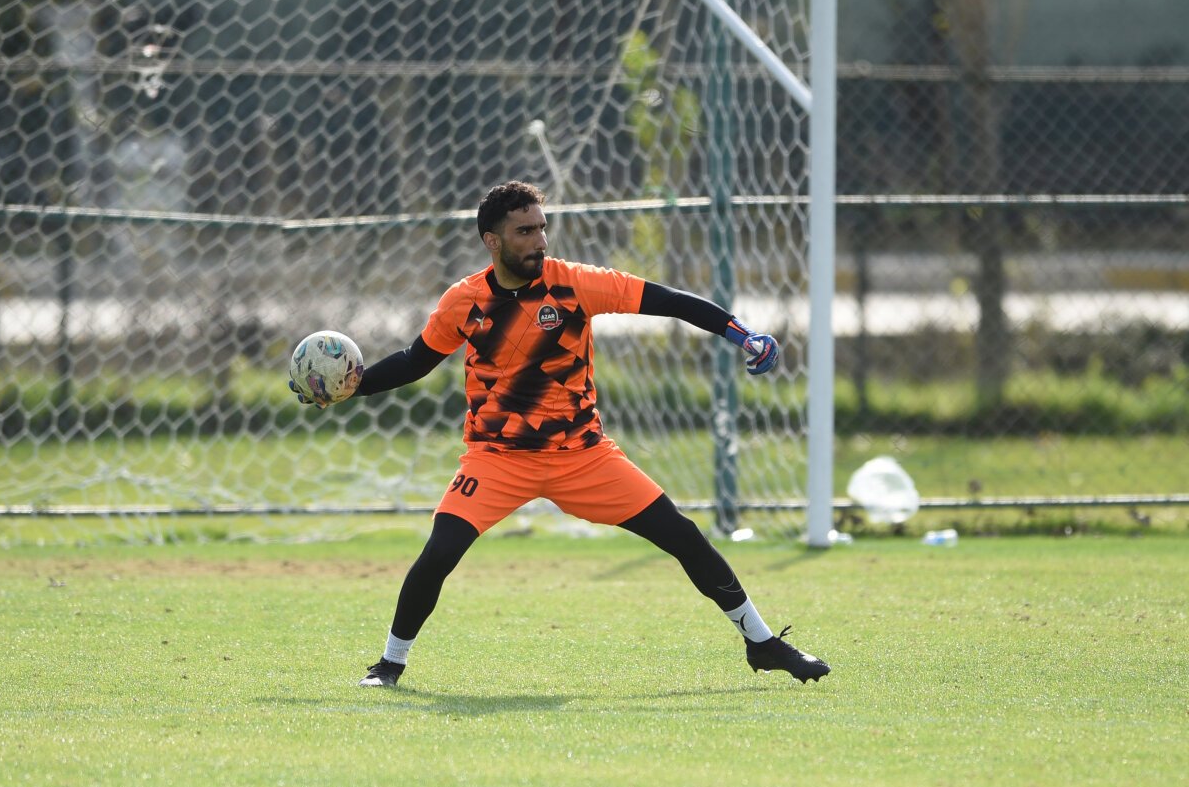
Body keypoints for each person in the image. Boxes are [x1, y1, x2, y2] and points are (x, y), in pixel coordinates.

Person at [290, 181, 829, 687]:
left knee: (684, 536)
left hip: (583, 457)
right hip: (497, 458)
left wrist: (740, 333)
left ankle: (762, 644)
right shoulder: (464, 301)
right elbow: (415, 361)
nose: (540, 241)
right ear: (492, 240)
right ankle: (390, 664)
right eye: (525, 231)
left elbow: (669, 300)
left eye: (542, 228)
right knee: (440, 552)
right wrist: (347, 388)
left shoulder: (575, 284)